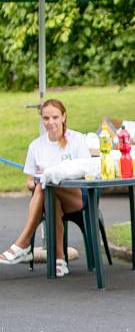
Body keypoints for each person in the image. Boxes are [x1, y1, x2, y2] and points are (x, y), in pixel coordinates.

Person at [0, 100, 89, 277]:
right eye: (46, 118)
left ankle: (22, 244)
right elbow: (29, 182)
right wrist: (38, 180)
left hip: (76, 197)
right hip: (50, 197)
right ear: (42, 119)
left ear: (63, 116)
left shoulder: (77, 140)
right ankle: (59, 261)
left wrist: (48, 178)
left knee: (45, 186)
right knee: (49, 195)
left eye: (55, 117)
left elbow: (85, 172)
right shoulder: (36, 146)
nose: (51, 122)